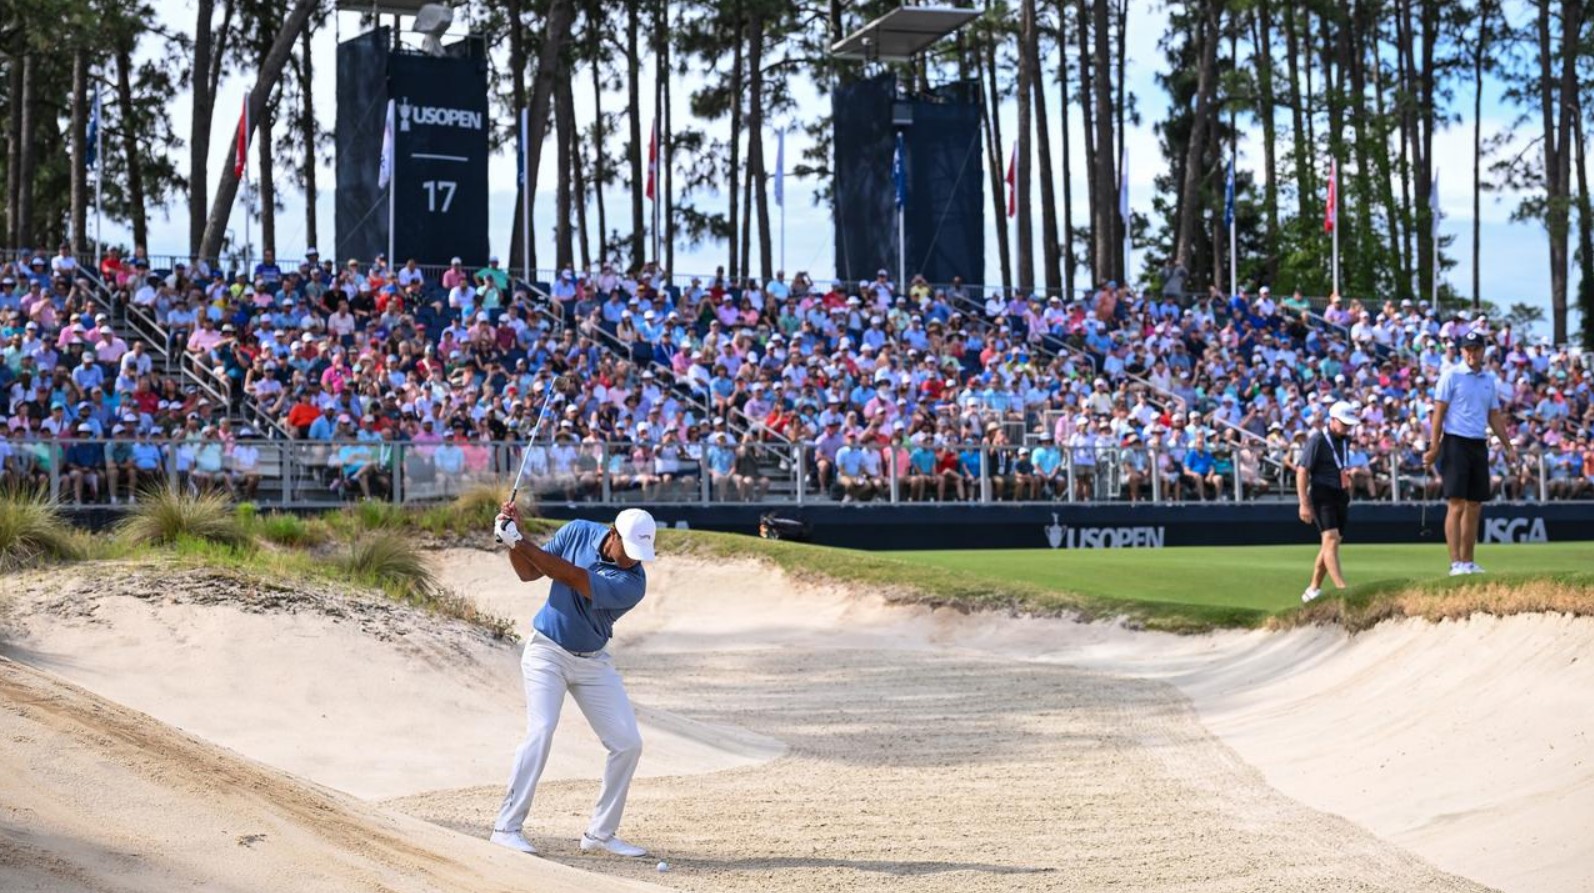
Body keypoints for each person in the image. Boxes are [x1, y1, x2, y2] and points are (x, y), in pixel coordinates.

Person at [488, 505, 656, 859]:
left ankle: (600, 834)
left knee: (627, 743)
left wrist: (520, 540)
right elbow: (529, 574)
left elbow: (570, 577)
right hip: (546, 652)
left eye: (640, 555)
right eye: (629, 551)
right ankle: (506, 827)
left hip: (592, 663)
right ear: (613, 534)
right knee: (542, 729)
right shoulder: (579, 530)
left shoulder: (633, 583)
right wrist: (511, 540)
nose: (632, 561)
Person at [1423, 330, 1517, 576]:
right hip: (1455, 442)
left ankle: (1468, 561)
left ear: (1483, 350)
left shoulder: (1488, 380)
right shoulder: (1451, 376)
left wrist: (1508, 446)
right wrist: (1434, 447)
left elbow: (1494, 415)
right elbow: (1438, 413)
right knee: (1456, 504)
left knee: (1475, 504)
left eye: (1476, 348)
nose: (1471, 353)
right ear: (1462, 351)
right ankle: (1455, 563)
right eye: (1468, 349)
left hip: (1478, 443)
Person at [1297, 400, 1361, 602]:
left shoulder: (1345, 440)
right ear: (1332, 420)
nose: (1347, 427)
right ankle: (1342, 589)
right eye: (1344, 423)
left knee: (1330, 544)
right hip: (1322, 493)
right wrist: (1304, 502)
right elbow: (1302, 470)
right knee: (1331, 539)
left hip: (1340, 493)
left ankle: (1313, 588)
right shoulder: (1317, 440)